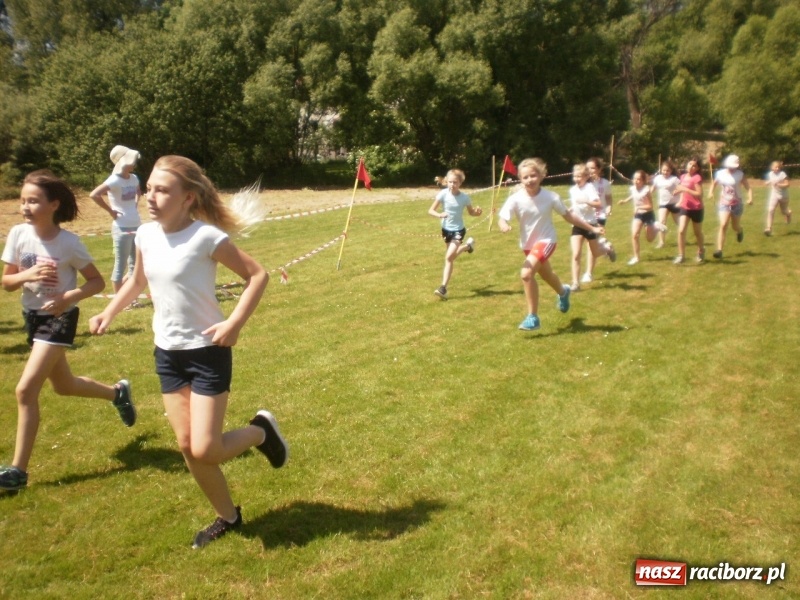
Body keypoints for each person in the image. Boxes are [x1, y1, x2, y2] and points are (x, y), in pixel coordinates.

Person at [89, 156, 286, 548]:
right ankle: (228, 516)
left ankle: (260, 432)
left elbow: (257, 275)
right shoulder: (144, 234)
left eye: (162, 190)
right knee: (186, 446)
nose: (150, 197)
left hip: (207, 351)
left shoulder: (206, 238)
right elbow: (136, 281)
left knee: (206, 448)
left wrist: (233, 324)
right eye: (150, 189)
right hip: (167, 353)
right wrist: (109, 310)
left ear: (188, 198)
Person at [0, 170, 136, 492]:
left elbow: (97, 282)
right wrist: (27, 274)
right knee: (64, 385)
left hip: (59, 319)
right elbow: (6, 282)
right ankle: (118, 393)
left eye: (33, 201)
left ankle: (17, 472)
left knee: (25, 390)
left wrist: (68, 297)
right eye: (23, 201)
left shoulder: (69, 244)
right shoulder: (18, 235)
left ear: (53, 204)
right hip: (32, 317)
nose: (26, 207)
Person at [497, 158, 604, 331]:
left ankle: (533, 317)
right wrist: (503, 224)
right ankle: (563, 292)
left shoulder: (551, 197)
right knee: (547, 276)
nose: (530, 180)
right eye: (525, 177)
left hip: (546, 241)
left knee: (526, 274)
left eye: (533, 175)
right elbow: (503, 216)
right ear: (520, 179)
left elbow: (569, 216)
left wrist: (592, 228)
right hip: (528, 245)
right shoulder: (515, 199)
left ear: (541, 175)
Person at [89, 146, 143, 304]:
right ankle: (120, 302)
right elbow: (94, 194)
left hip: (136, 225)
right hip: (121, 227)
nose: (134, 165)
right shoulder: (113, 180)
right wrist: (111, 211)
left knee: (134, 265)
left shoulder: (133, 178)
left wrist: (136, 202)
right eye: (131, 161)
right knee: (120, 266)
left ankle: (129, 298)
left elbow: (138, 191)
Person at [428, 169, 482, 299]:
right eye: (450, 182)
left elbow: (471, 212)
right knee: (450, 257)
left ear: (460, 183)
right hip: (446, 230)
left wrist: (477, 212)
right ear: (446, 182)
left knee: (448, 257)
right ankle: (467, 247)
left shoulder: (464, 198)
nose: (452, 184)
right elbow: (430, 210)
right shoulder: (442, 194)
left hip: (458, 230)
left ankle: (443, 288)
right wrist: (440, 214)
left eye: (455, 182)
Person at [567, 163, 616, 290]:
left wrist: (586, 201)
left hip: (591, 224)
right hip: (577, 225)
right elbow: (575, 204)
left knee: (595, 252)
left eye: (580, 176)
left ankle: (607, 249)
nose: (577, 179)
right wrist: (569, 210)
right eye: (575, 176)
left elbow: (599, 203)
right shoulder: (572, 190)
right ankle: (575, 283)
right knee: (576, 254)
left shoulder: (589, 188)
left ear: (586, 176)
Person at [618, 170, 667, 265]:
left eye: (639, 179)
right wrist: (625, 201)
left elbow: (650, 206)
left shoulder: (646, 190)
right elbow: (634, 196)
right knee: (635, 235)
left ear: (643, 181)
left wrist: (638, 207)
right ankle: (636, 257)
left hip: (648, 214)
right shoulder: (633, 188)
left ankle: (657, 228)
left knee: (649, 239)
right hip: (638, 215)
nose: (636, 181)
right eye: (634, 179)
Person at [708, 154, 753, 259]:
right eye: (730, 166)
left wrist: (750, 198)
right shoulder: (720, 174)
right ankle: (719, 250)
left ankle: (739, 231)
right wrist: (711, 192)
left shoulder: (740, 174)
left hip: (737, 203)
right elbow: (714, 184)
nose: (731, 168)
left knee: (735, 226)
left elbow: (748, 187)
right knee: (723, 225)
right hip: (724, 203)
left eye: (733, 166)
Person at [583, 157, 614, 284]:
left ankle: (588, 273)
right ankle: (606, 248)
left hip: (599, 215)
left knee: (590, 245)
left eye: (593, 168)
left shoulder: (605, 183)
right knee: (591, 243)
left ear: (599, 169)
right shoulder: (584, 183)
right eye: (588, 168)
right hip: (586, 217)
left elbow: (609, 198)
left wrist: (609, 208)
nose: (590, 170)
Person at [673, 157, 705, 264]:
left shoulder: (697, 178)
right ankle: (681, 255)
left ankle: (701, 250)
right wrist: (677, 192)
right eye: (690, 164)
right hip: (685, 207)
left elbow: (699, 194)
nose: (691, 166)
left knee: (697, 233)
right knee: (681, 230)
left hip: (697, 208)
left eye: (694, 165)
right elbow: (682, 189)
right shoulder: (682, 176)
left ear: (697, 168)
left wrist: (685, 189)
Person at [652, 160, 680, 248]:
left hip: (674, 203)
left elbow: (681, 189)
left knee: (679, 223)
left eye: (667, 170)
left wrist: (677, 191)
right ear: (661, 170)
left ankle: (681, 238)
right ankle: (661, 242)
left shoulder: (674, 179)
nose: (665, 172)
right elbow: (653, 188)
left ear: (671, 171)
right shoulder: (658, 178)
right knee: (661, 222)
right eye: (664, 170)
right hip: (663, 204)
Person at [764, 161, 791, 235]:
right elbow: (772, 180)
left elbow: (787, 184)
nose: (777, 168)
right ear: (772, 167)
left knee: (783, 211)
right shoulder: (770, 174)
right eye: (776, 167)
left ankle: (788, 214)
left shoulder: (782, 174)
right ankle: (768, 228)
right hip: (774, 194)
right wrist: (768, 182)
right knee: (770, 210)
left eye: (778, 167)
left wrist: (779, 184)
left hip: (783, 195)